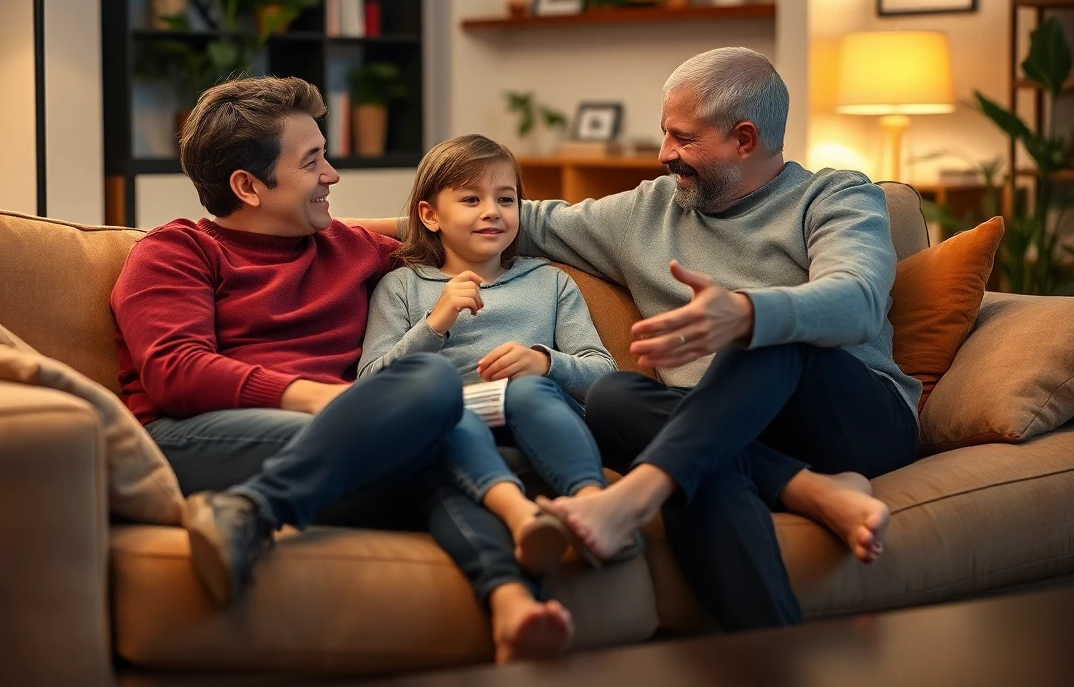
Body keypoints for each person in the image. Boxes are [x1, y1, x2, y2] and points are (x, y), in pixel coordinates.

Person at [353, 47, 920, 632]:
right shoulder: (649, 209)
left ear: (744, 139)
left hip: (850, 417)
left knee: (767, 342)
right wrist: (327, 230)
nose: (663, 154)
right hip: (716, 428)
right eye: (664, 133)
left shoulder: (834, 196)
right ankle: (775, 630)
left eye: (683, 138)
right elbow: (519, 219)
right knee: (614, 400)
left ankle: (633, 497)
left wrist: (746, 314)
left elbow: (858, 299)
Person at [110, 77, 570, 662]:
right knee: (429, 391)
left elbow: (457, 225)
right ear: (248, 186)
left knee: (455, 446)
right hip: (198, 436)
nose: (332, 175)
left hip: (341, 437)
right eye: (312, 162)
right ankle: (260, 506)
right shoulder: (176, 252)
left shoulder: (351, 248)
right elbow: (177, 371)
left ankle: (511, 604)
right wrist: (326, 400)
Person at [359, 135, 630, 585]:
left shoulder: (550, 283)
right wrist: (435, 324)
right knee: (443, 415)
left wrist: (546, 363)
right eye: (471, 198)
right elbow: (370, 386)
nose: (492, 211)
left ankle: (594, 508)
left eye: (506, 199)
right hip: (456, 423)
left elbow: (604, 374)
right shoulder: (402, 287)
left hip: (537, 415)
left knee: (525, 388)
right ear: (429, 215)